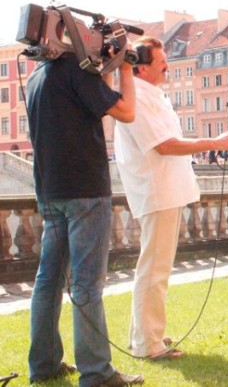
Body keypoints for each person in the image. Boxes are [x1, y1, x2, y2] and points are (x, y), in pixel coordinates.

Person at [114, 37, 228, 360]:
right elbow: (165, 145)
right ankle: (148, 344)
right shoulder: (138, 96)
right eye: (162, 61)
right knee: (154, 270)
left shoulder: (149, 95)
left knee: (155, 268)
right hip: (157, 191)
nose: (168, 65)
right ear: (142, 67)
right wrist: (213, 143)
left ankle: (145, 335)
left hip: (163, 191)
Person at [26, 50, 144, 385]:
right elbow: (126, 111)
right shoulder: (76, 71)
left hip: (50, 190)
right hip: (86, 191)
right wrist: (125, 66)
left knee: (47, 282)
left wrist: (103, 71)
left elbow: (94, 104)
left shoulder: (38, 75)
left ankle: (44, 365)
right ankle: (97, 373)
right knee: (87, 283)